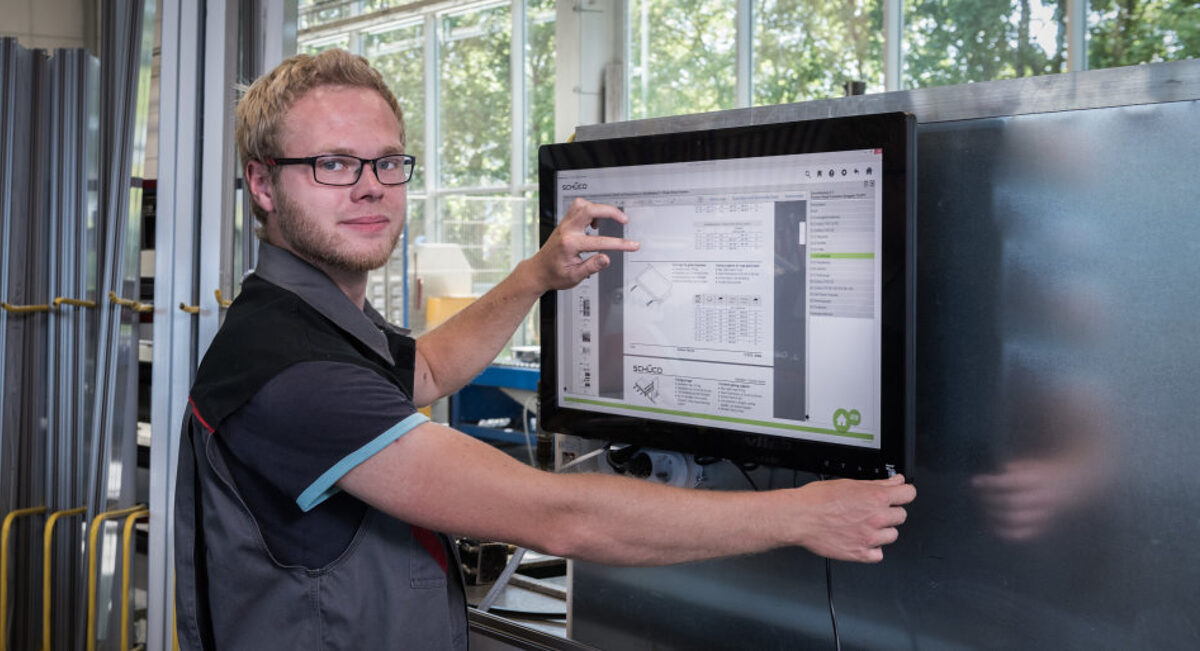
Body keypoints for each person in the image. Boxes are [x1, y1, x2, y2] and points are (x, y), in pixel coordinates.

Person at [174, 49, 917, 651]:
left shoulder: (308, 321)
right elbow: (561, 516)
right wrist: (803, 515)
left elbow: (425, 370)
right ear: (263, 185)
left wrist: (536, 275)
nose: (370, 188)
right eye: (333, 165)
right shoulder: (293, 371)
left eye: (387, 162)